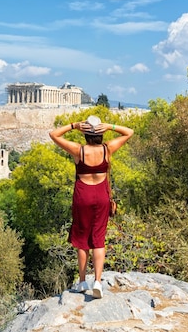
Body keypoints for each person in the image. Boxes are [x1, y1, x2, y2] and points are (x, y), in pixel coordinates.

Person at [49, 115, 133, 298]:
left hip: (83, 196)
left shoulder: (78, 151)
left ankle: (81, 281)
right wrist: (110, 126)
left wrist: (73, 125)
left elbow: (53, 134)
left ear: (85, 134)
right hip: (101, 197)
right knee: (98, 239)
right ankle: (97, 281)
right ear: (101, 133)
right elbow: (129, 132)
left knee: (81, 238)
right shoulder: (107, 149)